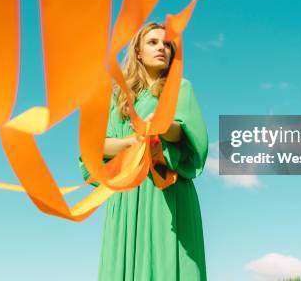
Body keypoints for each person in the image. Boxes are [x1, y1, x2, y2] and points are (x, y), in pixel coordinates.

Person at [79, 21, 209, 280]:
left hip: (166, 192)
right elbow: (95, 147)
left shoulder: (179, 88)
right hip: (128, 196)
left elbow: (185, 132)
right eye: (153, 42)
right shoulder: (120, 99)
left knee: (169, 262)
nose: (162, 48)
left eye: (167, 44)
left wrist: (159, 127)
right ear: (138, 51)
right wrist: (128, 143)